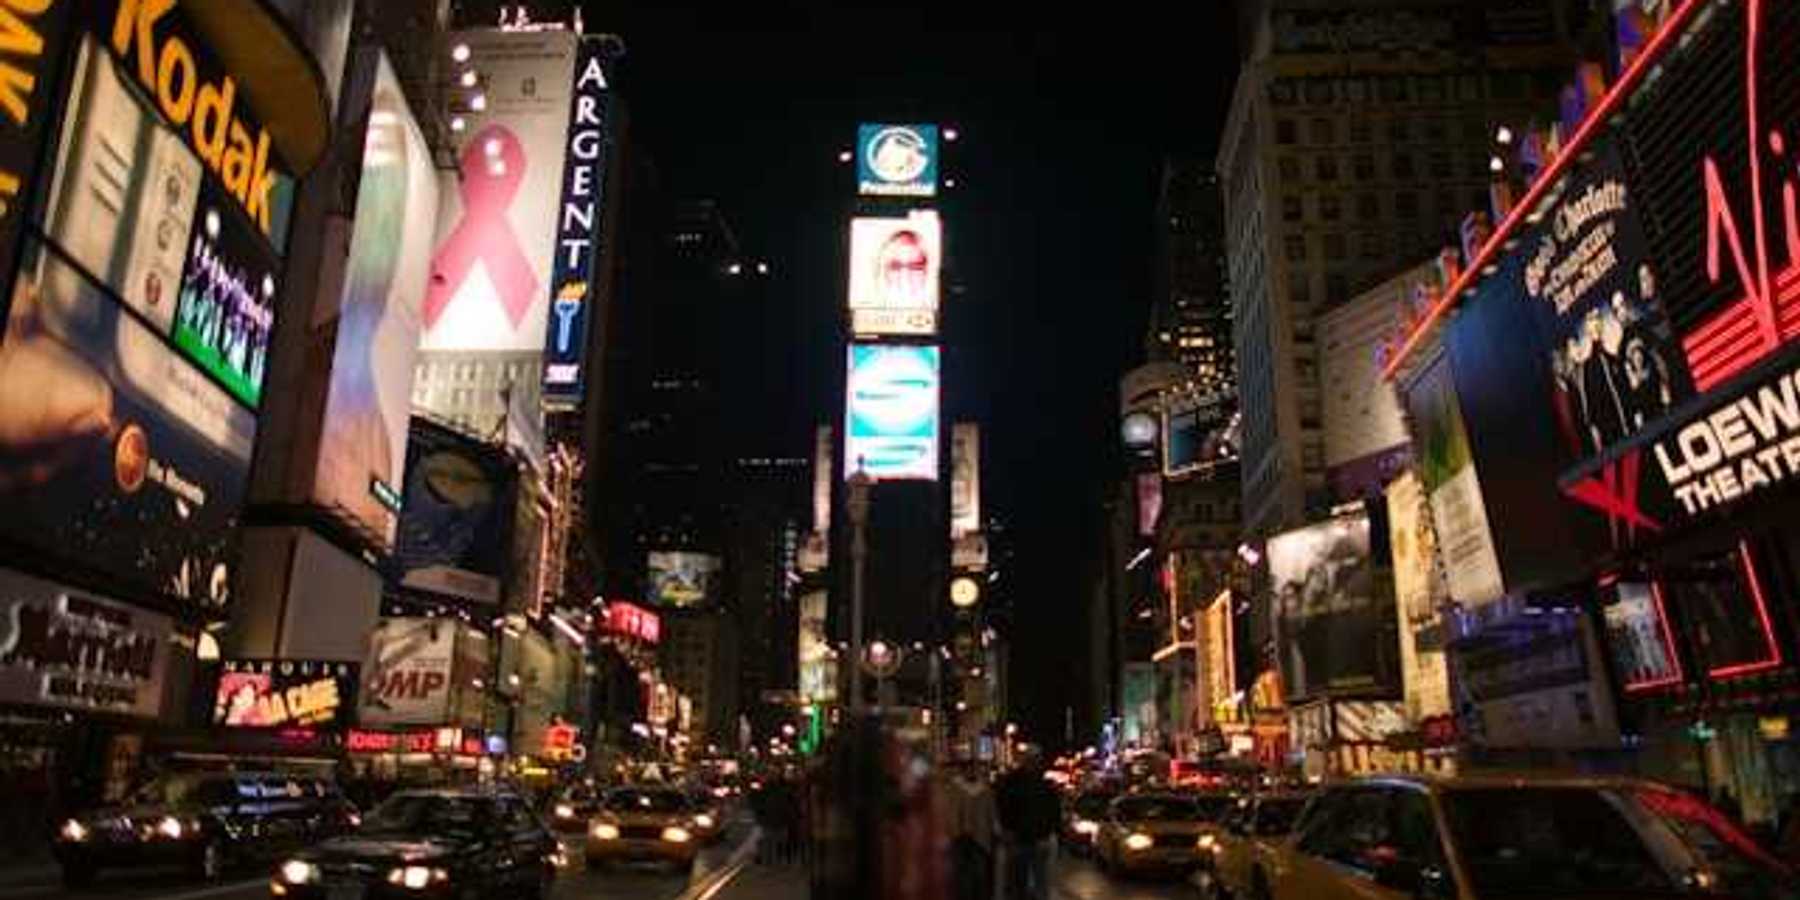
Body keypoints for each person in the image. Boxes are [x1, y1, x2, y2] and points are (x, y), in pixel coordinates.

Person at [994, 748, 1059, 900]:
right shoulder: (1014, 782)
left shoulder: (1043, 784)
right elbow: (1003, 807)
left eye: (1036, 759)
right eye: (1032, 759)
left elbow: (1053, 811)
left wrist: (1050, 831)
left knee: (1036, 880)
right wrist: (1008, 830)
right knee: (1022, 880)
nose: (1034, 762)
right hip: (1021, 838)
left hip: (1035, 838)